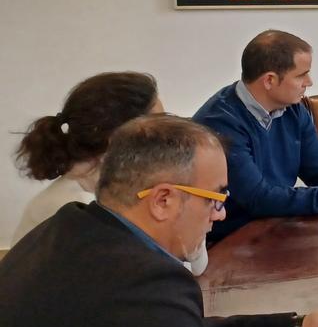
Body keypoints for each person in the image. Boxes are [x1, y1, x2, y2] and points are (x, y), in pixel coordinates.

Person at [0, 115, 318, 327]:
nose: (219, 215)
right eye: (214, 198)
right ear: (164, 200)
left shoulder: (67, 227)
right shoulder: (142, 284)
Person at [194, 30, 318, 242]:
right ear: (269, 80)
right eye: (301, 75)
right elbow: (257, 198)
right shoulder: (219, 122)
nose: (309, 82)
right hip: (230, 239)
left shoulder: (293, 109)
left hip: (276, 228)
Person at [9, 72, 216, 275]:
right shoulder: (80, 209)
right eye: (157, 132)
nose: (165, 142)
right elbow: (173, 274)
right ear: (116, 139)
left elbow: (193, 264)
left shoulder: (120, 186)